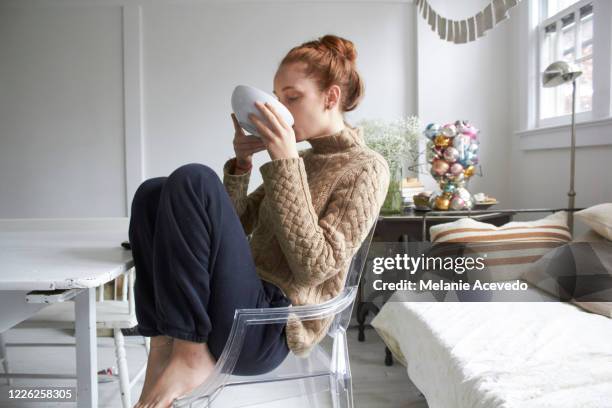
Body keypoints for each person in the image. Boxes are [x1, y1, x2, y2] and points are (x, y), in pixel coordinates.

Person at [128, 34, 390, 408]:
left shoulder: (366, 168)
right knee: (154, 193)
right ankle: (164, 345)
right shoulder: (302, 160)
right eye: (277, 98)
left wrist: (285, 162)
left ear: (331, 98)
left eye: (292, 98)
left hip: (268, 325)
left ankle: (190, 353)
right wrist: (241, 166)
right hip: (236, 301)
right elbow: (228, 226)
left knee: (194, 178)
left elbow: (315, 267)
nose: (279, 111)